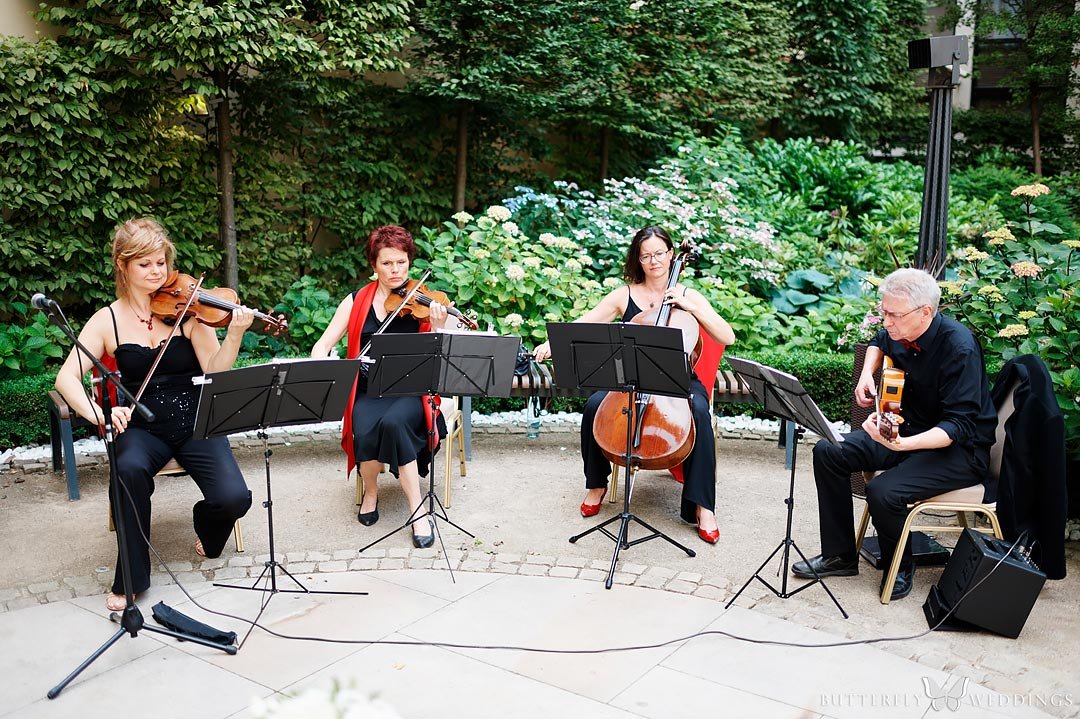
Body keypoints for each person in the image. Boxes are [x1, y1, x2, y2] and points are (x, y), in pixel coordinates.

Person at [53, 217, 254, 612]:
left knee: (234, 498)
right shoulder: (107, 318)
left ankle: (208, 528)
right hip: (143, 425)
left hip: (196, 418)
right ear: (123, 266)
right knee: (126, 472)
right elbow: (66, 378)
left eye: (160, 262)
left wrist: (234, 335)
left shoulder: (190, 310)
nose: (156, 271)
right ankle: (131, 577)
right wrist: (101, 413)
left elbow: (214, 372)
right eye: (144, 264)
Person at [793, 267, 997, 600]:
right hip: (908, 432)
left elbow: (957, 427)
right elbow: (878, 341)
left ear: (926, 312)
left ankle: (899, 564)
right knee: (829, 451)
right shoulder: (903, 329)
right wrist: (865, 375)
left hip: (959, 451)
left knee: (883, 491)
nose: (887, 321)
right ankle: (840, 555)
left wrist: (901, 444)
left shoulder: (960, 349)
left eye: (894, 315)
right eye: (884, 312)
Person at [532, 226, 736, 544]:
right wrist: (551, 342)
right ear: (637, 259)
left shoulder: (689, 296)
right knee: (594, 406)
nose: (653, 261)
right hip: (631, 379)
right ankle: (596, 483)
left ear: (671, 254)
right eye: (646, 255)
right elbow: (588, 320)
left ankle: (703, 506)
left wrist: (693, 309)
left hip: (677, 380)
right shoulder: (624, 295)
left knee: (698, 410)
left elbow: (727, 336)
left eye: (659, 253)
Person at [311, 225, 449, 548]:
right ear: (374, 265)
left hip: (411, 391)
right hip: (368, 390)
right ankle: (370, 491)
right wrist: (328, 361)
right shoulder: (356, 301)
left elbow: (442, 356)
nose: (396, 270)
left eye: (401, 262)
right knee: (365, 424)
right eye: (387, 263)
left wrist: (439, 326)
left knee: (394, 422)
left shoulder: (423, 300)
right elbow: (321, 345)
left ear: (409, 262)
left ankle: (417, 511)